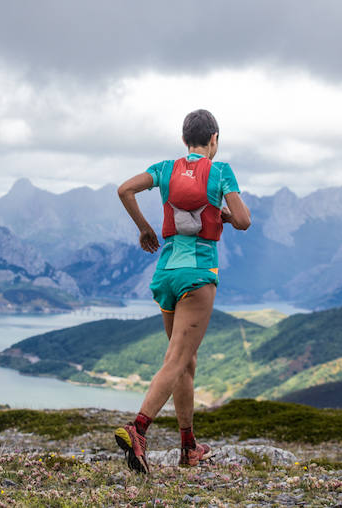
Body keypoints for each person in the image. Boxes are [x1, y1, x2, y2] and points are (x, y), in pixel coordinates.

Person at [114, 109, 251, 473]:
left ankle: (189, 447)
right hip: (197, 277)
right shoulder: (221, 172)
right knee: (177, 360)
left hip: (166, 275)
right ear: (214, 140)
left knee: (185, 361)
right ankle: (138, 429)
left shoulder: (164, 168)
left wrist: (145, 229)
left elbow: (124, 190)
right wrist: (221, 215)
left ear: (184, 139)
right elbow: (244, 221)